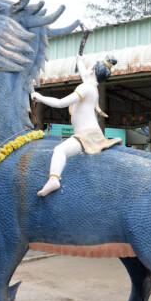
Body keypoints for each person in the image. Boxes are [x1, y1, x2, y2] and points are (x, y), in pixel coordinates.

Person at [31, 54, 122, 197]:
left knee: (60, 150)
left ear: (92, 71)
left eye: (89, 68)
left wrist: (41, 97)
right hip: (91, 133)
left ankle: (54, 179)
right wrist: (80, 61)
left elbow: (60, 103)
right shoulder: (91, 88)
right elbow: (85, 76)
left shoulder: (85, 88)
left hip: (86, 136)